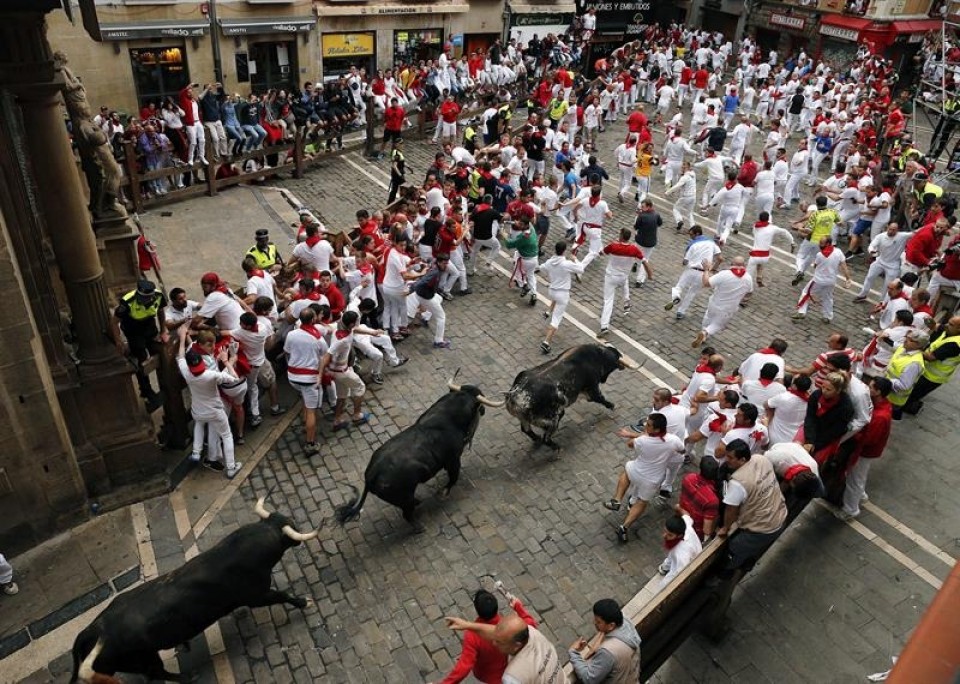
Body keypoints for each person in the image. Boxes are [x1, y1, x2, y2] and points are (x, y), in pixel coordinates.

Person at [604, 413, 686, 543]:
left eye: (648, 425)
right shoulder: (673, 440)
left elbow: (630, 444)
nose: (645, 426)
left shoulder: (643, 440)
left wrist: (638, 434)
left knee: (625, 472)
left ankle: (617, 499)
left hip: (637, 471)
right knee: (642, 502)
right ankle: (624, 527)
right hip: (652, 480)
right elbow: (682, 450)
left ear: (657, 429)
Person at [176, 326, 242, 478]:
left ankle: (197, 452)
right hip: (215, 409)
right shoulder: (210, 374)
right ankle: (231, 467)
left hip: (197, 410)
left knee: (199, 425)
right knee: (226, 435)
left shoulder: (187, 372)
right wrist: (228, 361)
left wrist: (182, 337)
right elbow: (234, 379)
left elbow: (181, 356)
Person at [717, 439, 787, 574]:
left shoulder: (738, 482)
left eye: (730, 457)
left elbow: (731, 509)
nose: (727, 460)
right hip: (781, 513)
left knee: (734, 548)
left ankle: (728, 572)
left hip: (764, 528)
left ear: (742, 459)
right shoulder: (761, 459)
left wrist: (725, 528)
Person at [437, 589, 537, 684]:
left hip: (485, 676)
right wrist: (518, 607)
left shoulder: (471, 636)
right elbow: (530, 624)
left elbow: (463, 667)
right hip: (506, 670)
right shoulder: (508, 627)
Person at [444, 613, 562, 684]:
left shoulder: (513, 677)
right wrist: (467, 625)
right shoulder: (532, 632)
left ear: (517, 645)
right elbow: (496, 633)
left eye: (499, 642)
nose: (494, 643)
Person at [837, 377, 894, 520]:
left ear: (878, 392)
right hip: (868, 451)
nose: (868, 389)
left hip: (865, 452)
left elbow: (869, 439)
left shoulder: (880, 416)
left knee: (854, 479)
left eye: (871, 388)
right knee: (860, 476)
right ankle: (861, 495)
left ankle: (850, 509)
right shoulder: (882, 406)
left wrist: (852, 433)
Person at [111, 279, 166, 409]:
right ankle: (146, 390)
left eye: (146, 298)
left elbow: (161, 311)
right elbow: (114, 322)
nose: (143, 300)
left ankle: (166, 383)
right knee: (141, 359)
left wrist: (163, 330)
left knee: (159, 352)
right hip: (133, 330)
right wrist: (119, 341)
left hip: (149, 326)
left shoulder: (158, 296)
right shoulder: (127, 302)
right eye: (141, 297)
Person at [283, 307, 329, 457]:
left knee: (304, 398)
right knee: (311, 410)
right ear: (313, 320)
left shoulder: (291, 334)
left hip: (293, 376)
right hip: (309, 379)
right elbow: (324, 356)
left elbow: (288, 351)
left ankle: (305, 422)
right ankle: (310, 442)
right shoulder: (318, 339)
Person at [539, 241, 595, 354]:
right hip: (563, 294)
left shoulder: (550, 262)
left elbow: (541, 267)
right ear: (564, 251)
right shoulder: (566, 264)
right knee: (557, 319)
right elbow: (581, 269)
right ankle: (546, 342)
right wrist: (575, 258)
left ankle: (548, 311)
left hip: (552, 291)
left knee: (555, 300)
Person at [567, 599, 641, 683]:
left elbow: (589, 679)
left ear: (611, 625)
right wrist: (596, 645)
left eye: (598, 622)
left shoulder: (608, 652)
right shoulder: (625, 622)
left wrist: (573, 652)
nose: (594, 623)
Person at [320, 311, 371, 432]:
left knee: (342, 395)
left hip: (338, 371)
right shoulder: (342, 340)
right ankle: (357, 415)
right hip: (342, 371)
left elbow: (355, 330)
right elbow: (328, 355)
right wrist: (322, 373)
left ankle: (337, 420)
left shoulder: (339, 326)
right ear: (351, 324)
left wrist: (372, 332)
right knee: (360, 387)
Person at [597, 228, 651, 337]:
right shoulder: (634, 249)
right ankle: (626, 301)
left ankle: (604, 326)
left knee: (608, 301)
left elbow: (601, 253)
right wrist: (650, 274)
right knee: (625, 281)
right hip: (622, 277)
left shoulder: (613, 246)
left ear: (621, 236)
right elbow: (644, 261)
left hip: (611, 277)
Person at [903, 315, 960, 414]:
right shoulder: (949, 330)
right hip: (926, 370)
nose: (946, 325)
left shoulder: (955, 345)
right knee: (909, 392)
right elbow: (935, 326)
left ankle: (910, 407)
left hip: (932, 377)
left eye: (951, 324)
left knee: (912, 396)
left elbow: (931, 357)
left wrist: (914, 347)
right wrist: (929, 321)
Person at [692, 256, 753, 348]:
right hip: (728, 308)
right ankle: (705, 332)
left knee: (708, 316)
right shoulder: (748, 278)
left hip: (715, 302)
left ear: (732, 264)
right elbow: (749, 293)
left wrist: (706, 270)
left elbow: (706, 283)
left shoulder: (724, 274)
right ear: (744, 265)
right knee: (718, 324)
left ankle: (704, 332)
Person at [664, 224, 721, 321]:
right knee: (692, 292)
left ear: (697, 233)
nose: (690, 237)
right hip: (703, 273)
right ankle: (681, 312)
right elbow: (720, 258)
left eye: (691, 235)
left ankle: (676, 297)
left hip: (691, 270)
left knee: (679, 287)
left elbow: (685, 261)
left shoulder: (692, 244)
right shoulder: (711, 243)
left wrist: (684, 262)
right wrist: (712, 269)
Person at [792, 237, 851, 324]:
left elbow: (815, 265)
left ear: (827, 244)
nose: (819, 244)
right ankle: (827, 316)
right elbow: (844, 266)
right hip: (831, 281)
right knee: (828, 297)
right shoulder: (838, 252)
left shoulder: (819, 255)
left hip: (818, 280)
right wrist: (848, 278)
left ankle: (801, 312)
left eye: (821, 243)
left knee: (805, 293)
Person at [884, 329, 929, 419]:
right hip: (887, 392)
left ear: (919, 345)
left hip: (893, 399)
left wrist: (885, 381)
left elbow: (904, 385)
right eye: (906, 337)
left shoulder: (915, 364)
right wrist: (884, 339)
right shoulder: (904, 348)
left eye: (910, 340)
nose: (905, 340)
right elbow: (893, 346)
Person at [658, 513, 703, 588]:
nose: (664, 536)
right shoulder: (685, 525)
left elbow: (677, 574)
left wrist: (664, 586)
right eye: (665, 531)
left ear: (679, 536)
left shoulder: (681, 555)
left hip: (690, 560)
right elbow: (688, 517)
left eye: (670, 535)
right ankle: (665, 567)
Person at [765, 374, 811, 445]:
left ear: (794, 386)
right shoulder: (810, 401)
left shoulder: (784, 397)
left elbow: (766, 404)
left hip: (775, 436)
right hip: (793, 439)